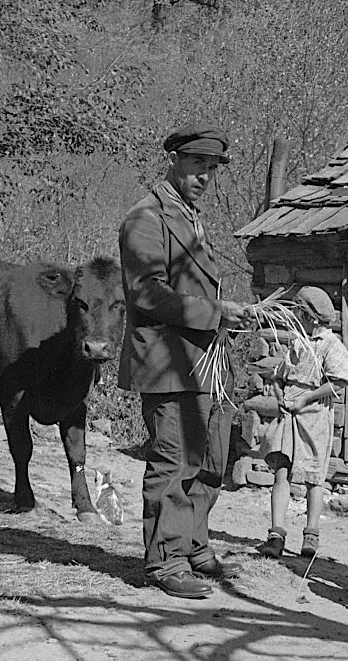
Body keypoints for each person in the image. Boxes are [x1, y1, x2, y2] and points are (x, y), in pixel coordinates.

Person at [118, 123, 248, 599]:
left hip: (204, 359)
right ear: (173, 159)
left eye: (211, 169)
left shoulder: (189, 217)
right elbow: (147, 292)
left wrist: (226, 318)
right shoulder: (146, 218)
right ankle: (164, 561)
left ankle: (192, 543)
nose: (205, 177)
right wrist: (216, 311)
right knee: (174, 460)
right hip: (167, 362)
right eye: (197, 165)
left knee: (209, 456)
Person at [259, 286, 348, 559]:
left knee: (314, 477)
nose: (295, 317)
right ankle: (276, 534)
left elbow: (339, 380)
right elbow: (279, 376)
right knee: (281, 471)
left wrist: (307, 398)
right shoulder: (297, 343)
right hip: (288, 415)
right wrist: (280, 395)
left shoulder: (331, 345)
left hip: (314, 417)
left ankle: (311, 535)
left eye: (299, 312)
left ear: (310, 316)